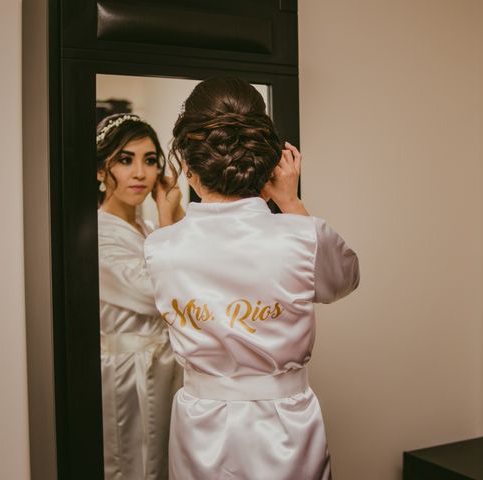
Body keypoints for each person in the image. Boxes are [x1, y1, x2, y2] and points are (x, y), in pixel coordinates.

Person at [143, 77, 360, 479]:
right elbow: (343, 280)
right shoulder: (302, 236)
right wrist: (289, 200)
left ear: (187, 164)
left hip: (200, 427)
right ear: (267, 161)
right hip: (286, 428)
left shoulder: (160, 247)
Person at [97, 113, 184, 479]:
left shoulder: (147, 228)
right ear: (101, 171)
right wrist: (169, 221)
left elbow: (193, 275)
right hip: (127, 372)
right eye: (125, 159)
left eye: (149, 160)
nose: (140, 173)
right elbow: (159, 294)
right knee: (131, 463)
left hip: (166, 367)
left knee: (164, 462)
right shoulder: (96, 235)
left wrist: (172, 211)